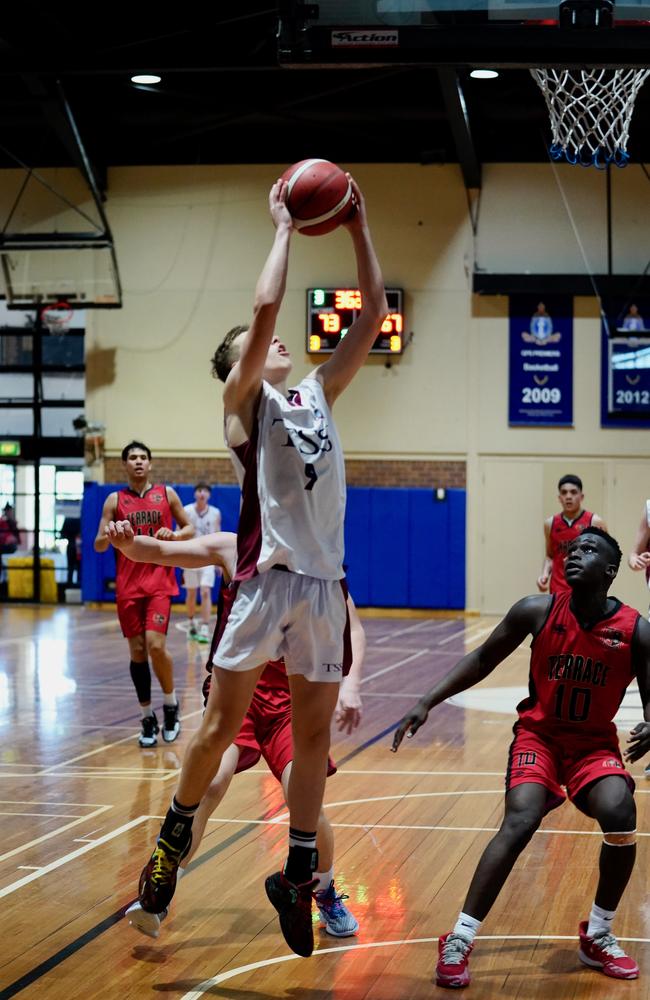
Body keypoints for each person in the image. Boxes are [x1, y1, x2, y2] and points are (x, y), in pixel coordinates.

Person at [134, 175, 387, 958]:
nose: (276, 343)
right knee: (214, 732)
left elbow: (373, 314)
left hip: (320, 585)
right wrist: (282, 226)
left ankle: (299, 870)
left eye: (274, 344)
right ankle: (171, 847)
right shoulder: (245, 404)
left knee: (311, 748)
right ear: (238, 365)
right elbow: (264, 312)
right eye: (258, 346)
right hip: (264, 581)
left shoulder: (317, 392)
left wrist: (358, 224)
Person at [393, 526, 650, 988]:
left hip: (593, 746)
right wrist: (426, 700)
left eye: (587, 550)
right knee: (521, 818)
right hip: (540, 738)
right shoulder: (537, 610)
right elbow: (481, 659)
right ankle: (460, 937)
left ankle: (599, 933)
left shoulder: (636, 631)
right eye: (571, 549)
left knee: (620, 811)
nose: (573, 555)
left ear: (611, 571)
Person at [103, 521, 363, 941]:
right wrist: (128, 543)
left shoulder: (319, 562)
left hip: (289, 705)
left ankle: (326, 888)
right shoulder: (234, 548)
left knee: (304, 795)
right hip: (238, 694)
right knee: (211, 782)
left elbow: (355, 625)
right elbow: (162, 554)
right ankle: (162, 885)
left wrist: (351, 683)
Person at [93, 440, 194, 747]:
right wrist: (112, 536)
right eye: (132, 458)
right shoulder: (114, 500)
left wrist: (174, 535)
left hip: (160, 583)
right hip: (128, 587)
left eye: (143, 457)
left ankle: (171, 705)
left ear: (150, 464)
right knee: (137, 651)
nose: (138, 462)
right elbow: (98, 542)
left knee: (155, 645)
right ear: (125, 464)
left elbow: (189, 529)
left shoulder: (167, 494)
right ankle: (147, 716)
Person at [537, 474, 606, 595]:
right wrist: (544, 575)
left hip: (585, 589)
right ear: (559, 498)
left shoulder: (594, 522)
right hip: (558, 590)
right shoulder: (550, 524)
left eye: (573, 492)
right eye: (564, 493)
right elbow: (550, 556)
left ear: (581, 496)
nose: (568, 496)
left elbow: (606, 556)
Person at [182, 482, 222, 642]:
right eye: (199, 490)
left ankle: (205, 627)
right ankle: (191, 622)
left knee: (205, 591)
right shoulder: (186, 511)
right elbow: (180, 533)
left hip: (208, 557)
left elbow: (218, 535)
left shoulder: (215, 513)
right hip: (190, 556)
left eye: (205, 491)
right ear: (194, 494)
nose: (202, 493)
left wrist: (219, 561)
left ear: (209, 495)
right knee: (191, 593)